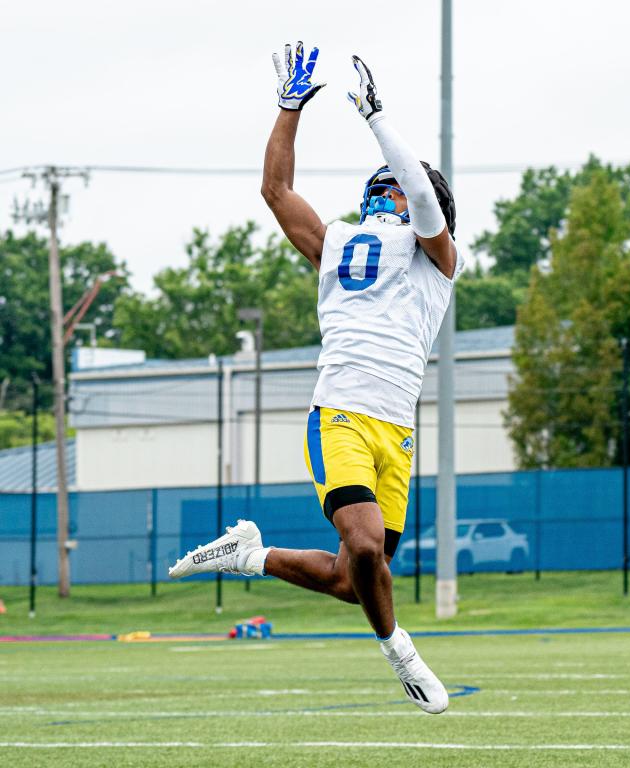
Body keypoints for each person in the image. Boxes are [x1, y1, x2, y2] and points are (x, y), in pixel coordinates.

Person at [168, 42, 462, 715]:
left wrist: (378, 119)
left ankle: (249, 555)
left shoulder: (439, 257)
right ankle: (403, 658)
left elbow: (421, 196)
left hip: (396, 431)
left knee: (354, 581)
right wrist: (288, 107)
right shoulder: (337, 240)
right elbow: (276, 191)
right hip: (341, 415)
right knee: (363, 545)